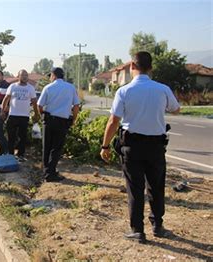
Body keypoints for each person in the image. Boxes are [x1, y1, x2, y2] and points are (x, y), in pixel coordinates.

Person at [100, 51, 181, 243]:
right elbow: (176, 109)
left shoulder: (124, 91)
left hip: (132, 146)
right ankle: (158, 225)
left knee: (135, 188)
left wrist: (105, 146)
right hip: (156, 146)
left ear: (131, 67)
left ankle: (137, 230)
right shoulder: (162, 89)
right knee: (156, 186)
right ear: (151, 68)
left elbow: (113, 120)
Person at [37, 67, 80, 182]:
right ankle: (51, 172)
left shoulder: (48, 87)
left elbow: (39, 105)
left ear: (53, 75)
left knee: (47, 146)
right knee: (56, 148)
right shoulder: (71, 88)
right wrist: (74, 119)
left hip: (49, 120)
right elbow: (76, 106)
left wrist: (41, 115)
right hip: (62, 121)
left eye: (50, 76)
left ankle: (47, 172)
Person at [1, 69, 40, 161]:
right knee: (11, 137)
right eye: (23, 75)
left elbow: (34, 102)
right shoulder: (12, 86)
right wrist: (2, 111)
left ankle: (20, 155)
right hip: (13, 115)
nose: (25, 77)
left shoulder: (30, 88)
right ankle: (10, 155)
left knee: (22, 137)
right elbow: (6, 99)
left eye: (26, 75)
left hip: (24, 116)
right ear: (18, 76)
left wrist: (36, 114)